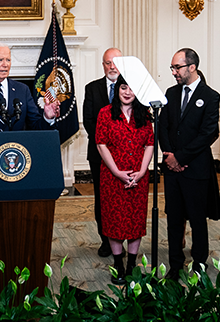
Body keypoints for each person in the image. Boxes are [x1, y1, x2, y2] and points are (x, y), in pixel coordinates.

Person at [159, 48, 220, 279]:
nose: (174, 72)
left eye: (177, 67)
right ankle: (175, 265)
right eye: (173, 68)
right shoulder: (170, 93)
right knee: (174, 220)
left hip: (195, 169)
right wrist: (169, 156)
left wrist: (180, 158)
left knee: (197, 220)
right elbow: (163, 127)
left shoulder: (211, 96)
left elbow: (207, 134)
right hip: (172, 170)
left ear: (191, 67)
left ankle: (199, 266)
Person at [96, 76, 154, 285]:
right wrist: (117, 172)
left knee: (135, 221)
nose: (127, 92)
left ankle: (132, 265)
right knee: (115, 221)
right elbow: (101, 144)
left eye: (131, 88)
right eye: (123, 87)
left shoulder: (145, 115)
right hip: (112, 177)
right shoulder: (105, 113)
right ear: (117, 89)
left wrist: (141, 170)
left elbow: (149, 144)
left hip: (139, 177)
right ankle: (118, 264)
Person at [83, 47, 123, 258]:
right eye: (108, 62)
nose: (111, 66)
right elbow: (89, 121)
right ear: (103, 65)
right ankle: (106, 241)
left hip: (127, 155)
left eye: (115, 62)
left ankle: (123, 237)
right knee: (103, 200)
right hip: (99, 155)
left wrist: (121, 146)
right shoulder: (92, 88)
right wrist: (107, 145)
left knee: (123, 199)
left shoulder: (130, 88)